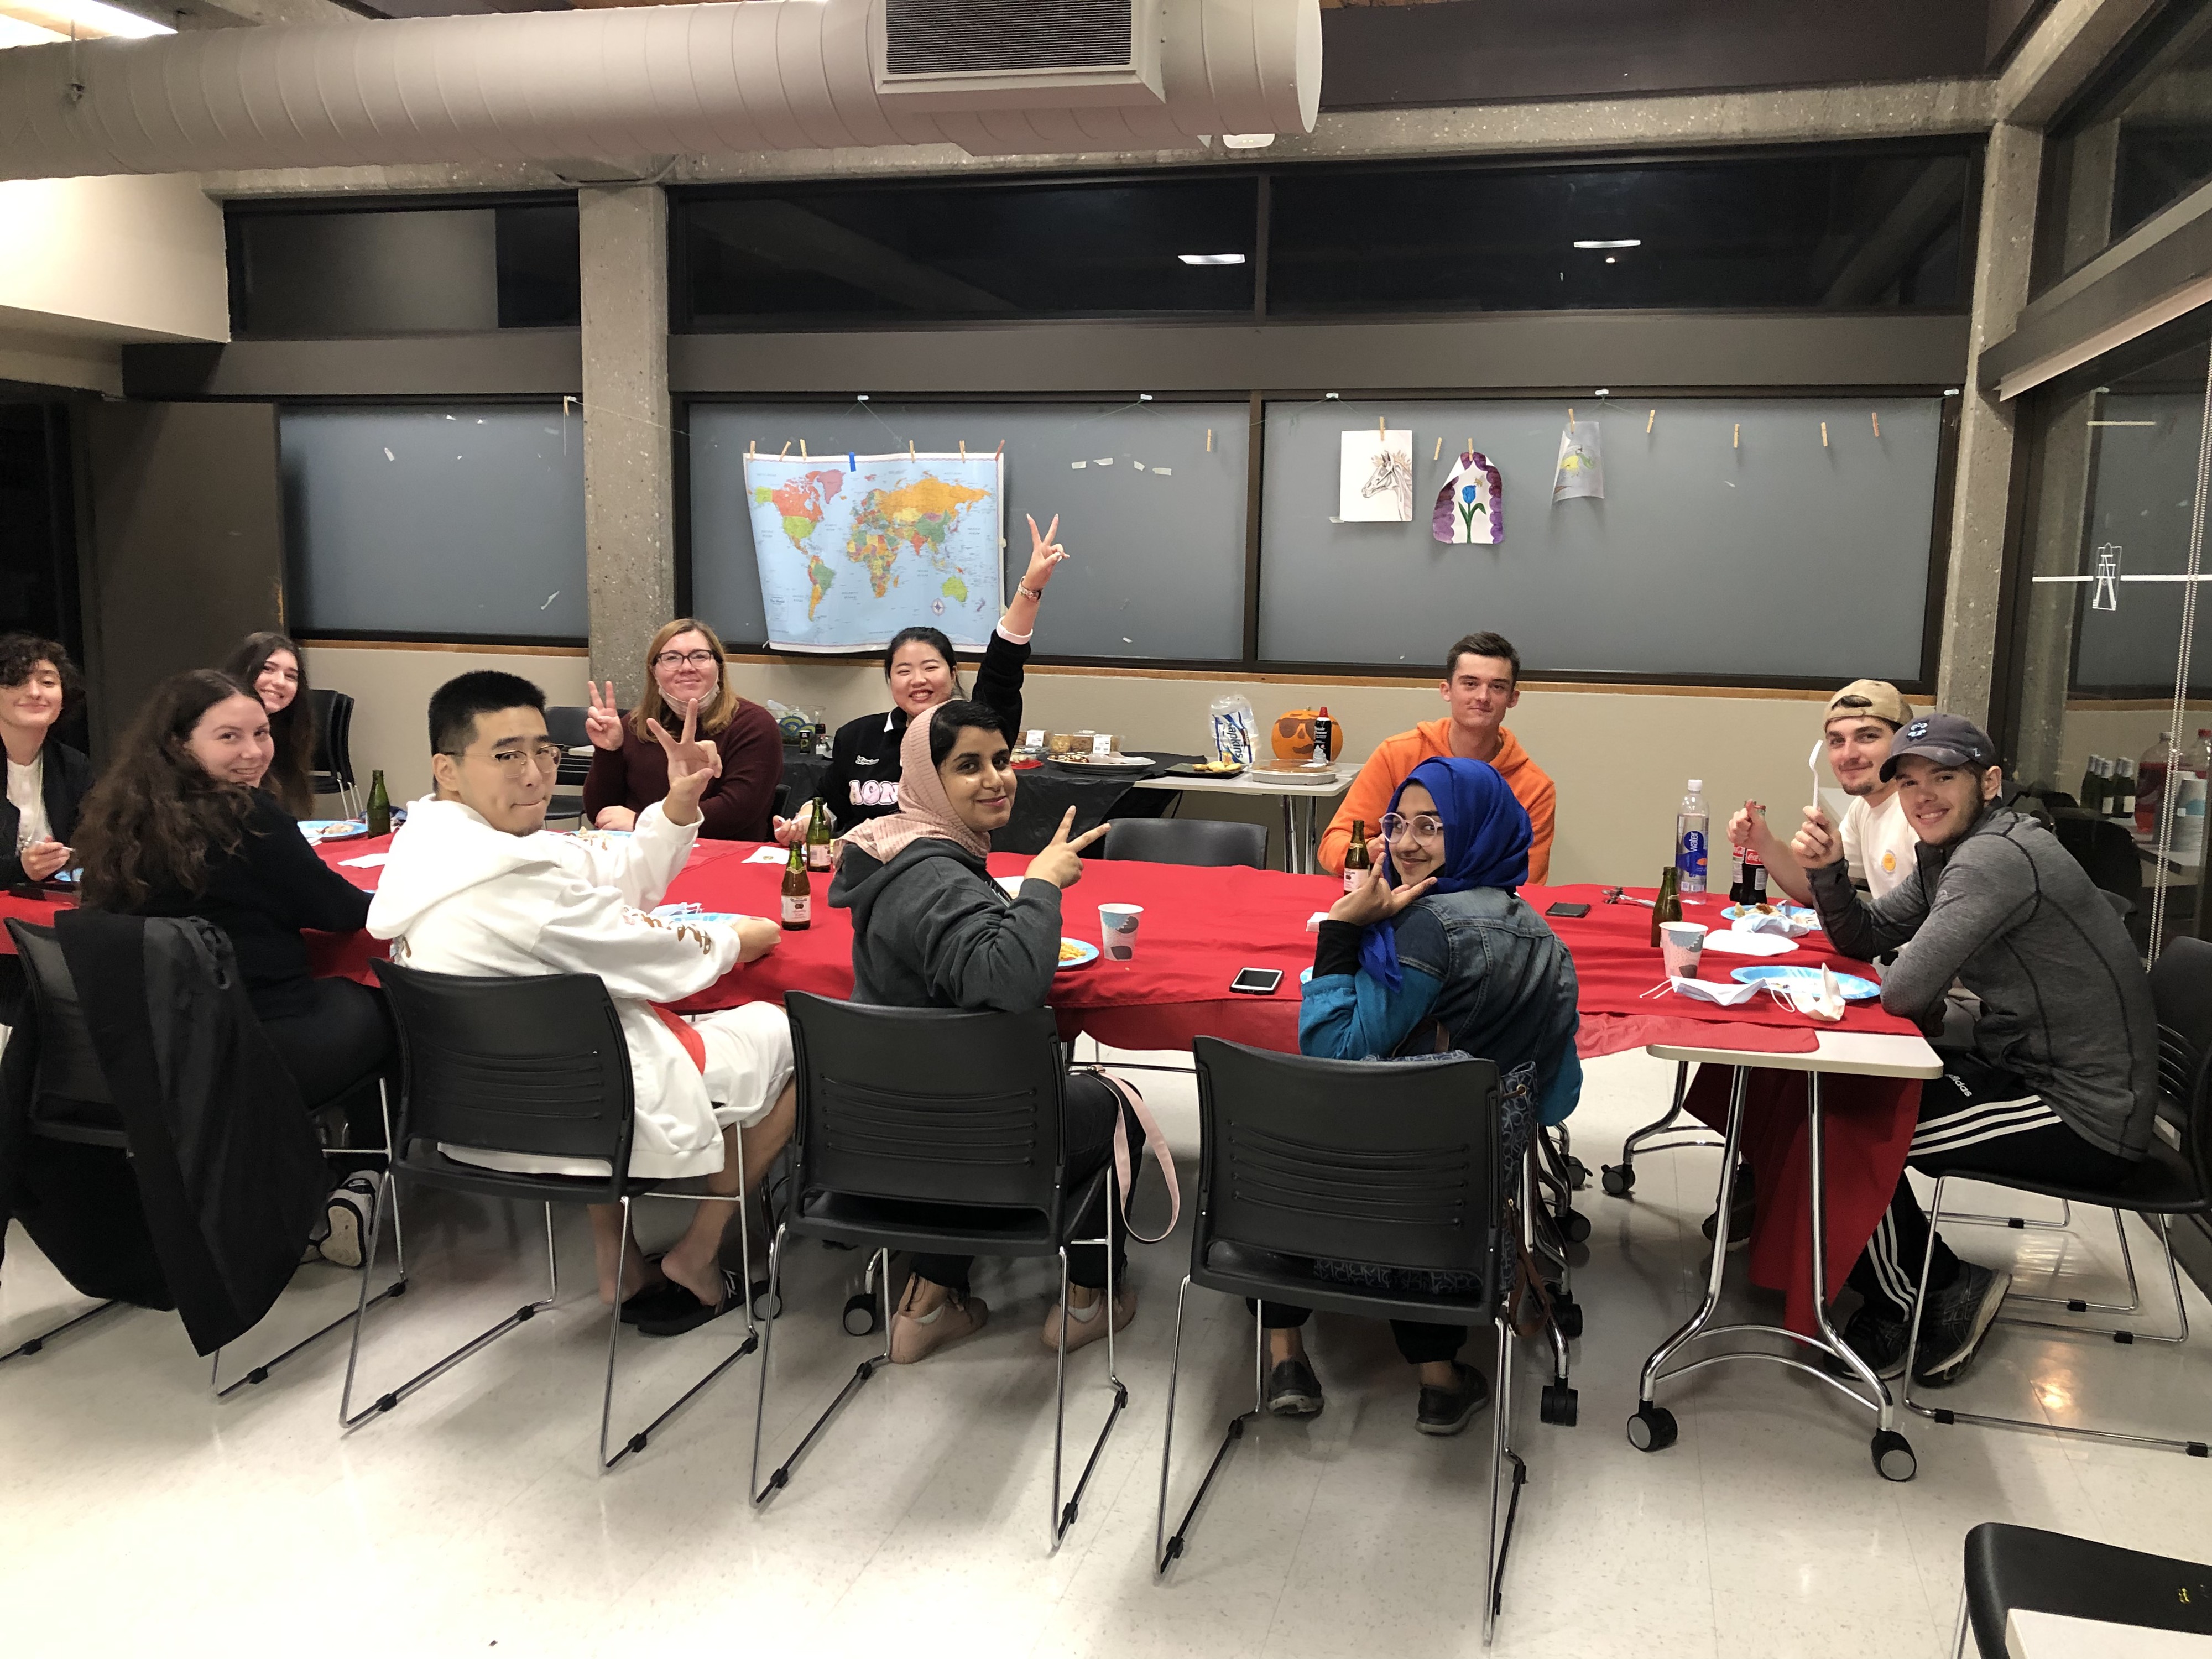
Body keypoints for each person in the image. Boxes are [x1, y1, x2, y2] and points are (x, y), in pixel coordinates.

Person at [367, 671, 796, 1334]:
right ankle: (700, 1252)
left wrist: (679, 804)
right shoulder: (517, 883)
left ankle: (616, 1263)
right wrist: (737, 941)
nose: (536, 774)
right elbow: (659, 958)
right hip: (580, 1111)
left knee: (591, 1028)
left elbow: (609, 874)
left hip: (476, 1111)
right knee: (796, 1032)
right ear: (446, 769)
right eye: (507, 755)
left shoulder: (436, 843)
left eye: (544, 751)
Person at [1796, 713, 2159, 1386]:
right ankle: (1926, 1278)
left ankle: (1925, 1297)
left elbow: (1902, 992)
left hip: (2084, 1111)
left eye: (1943, 778)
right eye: (1908, 783)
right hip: (2026, 1066)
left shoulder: (1993, 858)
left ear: (1988, 782)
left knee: (1841, 1132)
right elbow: (1868, 934)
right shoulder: (1953, 850)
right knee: (1841, 1100)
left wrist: (1898, 981)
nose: (1922, 796)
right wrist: (1825, 873)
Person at [1261, 757, 1582, 1435]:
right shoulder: (1550, 942)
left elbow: (1335, 1052)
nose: (1404, 843)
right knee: (1428, 1169)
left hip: (1358, 1195)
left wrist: (1343, 934)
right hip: (1460, 1208)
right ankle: (1438, 1382)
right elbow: (1556, 1099)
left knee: (1267, 1149)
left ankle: (1283, 1352)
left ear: (1474, 829)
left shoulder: (1426, 929)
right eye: (1396, 823)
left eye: (1430, 826)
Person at [826, 699, 1150, 1363]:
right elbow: (1007, 981)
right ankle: (1088, 1303)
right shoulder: (934, 877)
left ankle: (929, 1303)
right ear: (924, 779)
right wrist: (1040, 887)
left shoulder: (898, 851)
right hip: (955, 1129)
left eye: (1001, 761)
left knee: (996, 1100)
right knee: (1116, 1109)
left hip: (880, 1123)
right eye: (967, 766)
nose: (996, 779)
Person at [73, 669, 392, 1263]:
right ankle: (361, 1183)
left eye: (262, 734)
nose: (253, 753)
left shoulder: (117, 823)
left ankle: (286, 1181)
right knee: (388, 1004)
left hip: (157, 1053)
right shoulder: (250, 817)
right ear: (179, 744)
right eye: (229, 737)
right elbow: (342, 911)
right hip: (258, 1045)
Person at [787, 513, 1069, 839]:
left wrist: (1030, 588)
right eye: (903, 671)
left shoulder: (977, 730)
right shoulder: (858, 736)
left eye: (930, 668)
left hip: (944, 865)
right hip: (863, 865)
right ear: (890, 680)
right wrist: (804, 821)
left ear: (952, 674)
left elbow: (1003, 664)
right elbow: (830, 802)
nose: (917, 680)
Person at [1318, 632, 1558, 884]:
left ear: (1513, 699)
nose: (1483, 697)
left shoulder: (1535, 788)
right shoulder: (1397, 755)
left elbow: (1528, 884)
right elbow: (1334, 844)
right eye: (1470, 683)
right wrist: (1371, 851)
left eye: (1497, 687)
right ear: (1447, 690)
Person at [582, 618, 781, 841]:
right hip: (639, 855)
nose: (687, 667)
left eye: (699, 656)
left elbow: (737, 810)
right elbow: (602, 813)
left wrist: (644, 823)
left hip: (721, 855)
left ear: (719, 666)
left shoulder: (754, 725)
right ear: (654, 671)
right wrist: (609, 752)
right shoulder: (637, 725)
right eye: (672, 658)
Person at [1728, 679, 1918, 906]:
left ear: (1905, 742)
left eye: (1868, 736)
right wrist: (1763, 842)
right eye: (1837, 741)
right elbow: (1817, 893)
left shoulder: (1922, 812)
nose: (1849, 754)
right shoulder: (1863, 809)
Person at [222, 630, 316, 817]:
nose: (280, 682)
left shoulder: (289, 733)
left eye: (291, 676)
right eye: (268, 669)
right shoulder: (216, 726)